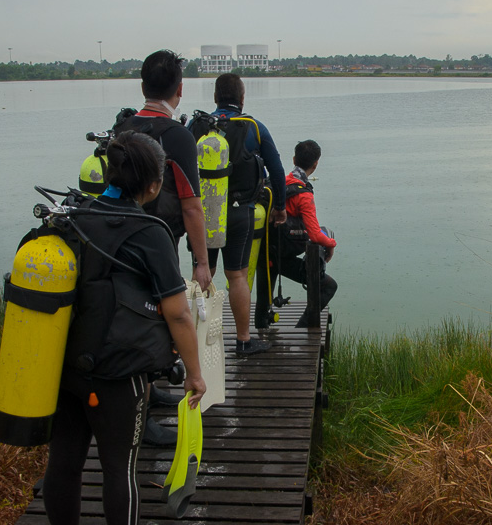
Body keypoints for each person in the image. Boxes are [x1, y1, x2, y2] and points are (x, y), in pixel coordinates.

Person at [42, 131, 205, 525]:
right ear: (152, 186)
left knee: (64, 463)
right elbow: (179, 313)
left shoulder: (74, 213)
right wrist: (195, 374)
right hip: (117, 373)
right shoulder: (149, 232)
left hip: (64, 365)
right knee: (119, 470)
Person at [196, 73, 287, 354]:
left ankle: (198, 341)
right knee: (237, 275)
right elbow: (278, 171)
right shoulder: (255, 128)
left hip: (203, 215)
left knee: (202, 272)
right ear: (242, 98)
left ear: (215, 98)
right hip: (240, 212)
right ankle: (244, 340)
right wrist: (280, 207)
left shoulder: (196, 126)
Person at [113, 50, 212, 293]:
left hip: (118, 241)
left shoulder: (122, 128)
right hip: (160, 244)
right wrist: (202, 262)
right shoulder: (178, 136)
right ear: (180, 89)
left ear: (143, 87)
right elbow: (191, 207)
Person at [256, 140, 338, 328]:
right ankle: (302, 328)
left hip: (265, 251)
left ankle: (260, 333)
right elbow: (316, 235)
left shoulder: (277, 183)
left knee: (263, 301)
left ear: (294, 159)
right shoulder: (304, 195)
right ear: (316, 164)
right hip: (284, 257)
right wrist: (331, 244)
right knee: (329, 286)